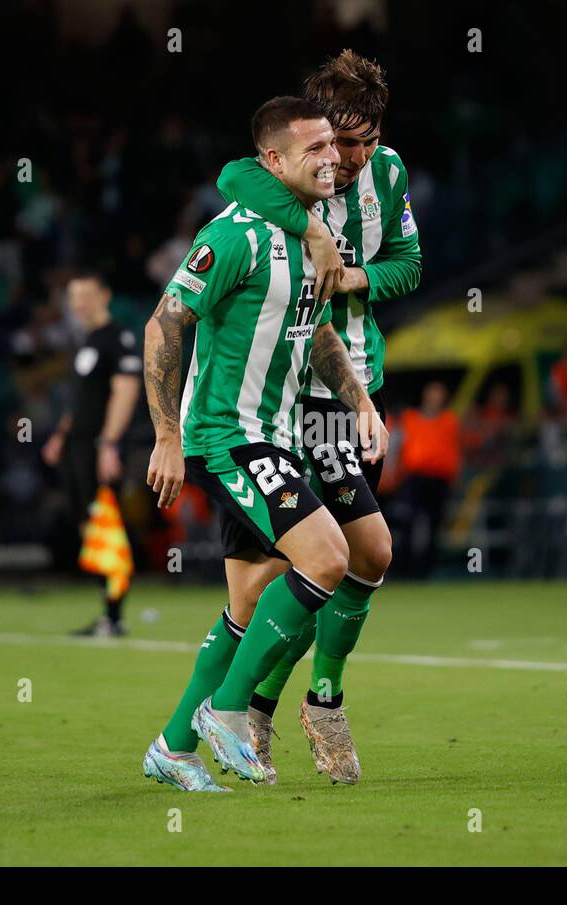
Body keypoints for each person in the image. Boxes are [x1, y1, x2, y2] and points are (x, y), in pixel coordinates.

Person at [140, 97, 387, 792]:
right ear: (272, 161)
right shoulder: (236, 236)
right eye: (314, 148)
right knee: (328, 557)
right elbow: (165, 323)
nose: (331, 158)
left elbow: (319, 335)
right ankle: (228, 712)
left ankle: (175, 746)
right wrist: (165, 435)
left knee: (250, 606)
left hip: (276, 435)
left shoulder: (313, 237)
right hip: (229, 436)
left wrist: (360, 401)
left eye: (332, 148)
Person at [211, 50, 421, 782]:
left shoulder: (388, 175)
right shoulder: (283, 179)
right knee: (342, 557)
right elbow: (233, 174)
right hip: (295, 395)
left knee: (351, 561)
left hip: (361, 384)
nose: (357, 156)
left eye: (368, 139)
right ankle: (299, 704)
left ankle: (262, 706)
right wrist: (314, 234)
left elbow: (410, 264)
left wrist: (351, 272)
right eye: (343, 139)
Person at [41, 270, 142, 637]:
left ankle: (114, 617)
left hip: (99, 448)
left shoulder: (119, 339)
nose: (78, 303)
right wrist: (61, 436)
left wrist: (109, 443)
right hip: (77, 447)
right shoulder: (88, 341)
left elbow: (125, 391)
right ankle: (107, 614)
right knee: (90, 527)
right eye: (73, 296)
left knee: (106, 527)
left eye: (85, 294)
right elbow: (82, 400)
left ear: (105, 295)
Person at [394, 380, 461, 579]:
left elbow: (455, 450)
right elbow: (399, 448)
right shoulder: (410, 418)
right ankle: (402, 569)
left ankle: (425, 570)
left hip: (439, 479)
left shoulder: (449, 420)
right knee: (408, 522)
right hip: (414, 478)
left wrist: (455, 476)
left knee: (434, 525)